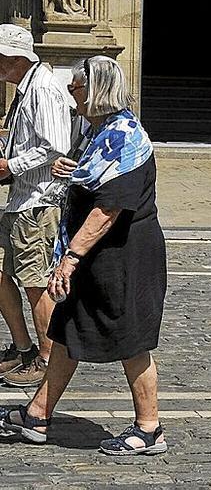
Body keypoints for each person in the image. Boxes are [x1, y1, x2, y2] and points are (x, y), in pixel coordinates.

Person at [0, 56, 168, 455]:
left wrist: (70, 257)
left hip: (124, 257)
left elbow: (108, 208)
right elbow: (90, 177)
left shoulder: (126, 136)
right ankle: (38, 413)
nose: (71, 95)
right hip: (95, 255)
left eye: (76, 88)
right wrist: (69, 168)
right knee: (65, 332)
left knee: (131, 340)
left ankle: (150, 428)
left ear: (95, 91)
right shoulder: (96, 131)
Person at [0, 24, 72, 388]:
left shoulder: (43, 88)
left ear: (13, 59)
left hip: (38, 201)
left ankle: (47, 358)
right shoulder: (26, 88)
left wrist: (9, 165)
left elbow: (55, 145)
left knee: (34, 285)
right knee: (5, 279)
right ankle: (23, 348)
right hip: (21, 199)